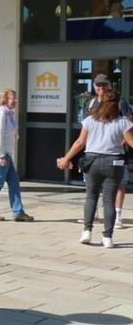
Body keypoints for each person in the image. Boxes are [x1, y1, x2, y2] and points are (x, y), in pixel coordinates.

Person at [58, 90, 133, 248]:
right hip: (114, 163)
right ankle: (108, 238)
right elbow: (131, 142)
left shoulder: (90, 120)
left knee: (91, 197)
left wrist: (66, 158)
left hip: (92, 162)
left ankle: (87, 231)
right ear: (117, 104)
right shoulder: (123, 122)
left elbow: (80, 143)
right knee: (109, 200)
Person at [81, 74, 132, 228]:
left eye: (103, 85)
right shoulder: (90, 103)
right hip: (93, 151)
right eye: (98, 85)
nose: (101, 88)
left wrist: (123, 138)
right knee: (92, 187)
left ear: (109, 86)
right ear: (94, 86)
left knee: (119, 184)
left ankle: (119, 216)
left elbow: (129, 121)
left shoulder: (119, 102)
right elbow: (85, 128)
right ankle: (93, 215)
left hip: (115, 151)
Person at [0, 88, 34, 222]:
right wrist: (1, 156)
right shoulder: (1, 114)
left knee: (14, 183)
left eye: (16, 98)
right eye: (13, 98)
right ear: (5, 99)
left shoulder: (10, 114)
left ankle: (18, 212)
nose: (16, 100)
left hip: (6, 154)